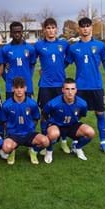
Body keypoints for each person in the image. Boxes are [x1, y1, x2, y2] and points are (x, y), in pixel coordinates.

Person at [66, 17, 105, 154]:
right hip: (80, 88)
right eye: (82, 26)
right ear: (79, 28)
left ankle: (103, 142)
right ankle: (75, 142)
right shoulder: (74, 48)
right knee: (76, 116)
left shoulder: (100, 45)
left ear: (91, 28)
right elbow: (65, 64)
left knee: (100, 114)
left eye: (88, 26)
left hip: (96, 87)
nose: (85, 28)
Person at [34, 17, 71, 153]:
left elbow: (68, 60)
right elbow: (32, 61)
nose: (51, 30)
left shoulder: (64, 44)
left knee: (64, 112)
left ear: (57, 29)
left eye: (53, 27)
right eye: (48, 28)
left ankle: (64, 141)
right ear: (44, 30)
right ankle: (45, 140)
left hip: (61, 85)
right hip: (45, 85)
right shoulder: (38, 45)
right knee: (45, 113)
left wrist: (61, 67)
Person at [42, 78, 95, 163]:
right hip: (57, 125)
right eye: (67, 89)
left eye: (72, 89)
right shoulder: (53, 103)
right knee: (53, 134)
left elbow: (81, 115)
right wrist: (46, 130)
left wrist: (74, 121)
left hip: (72, 126)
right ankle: (49, 151)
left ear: (76, 90)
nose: (70, 92)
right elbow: (44, 114)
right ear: (63, 90)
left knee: (90, 132)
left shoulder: (82, 103)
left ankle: (77, 147)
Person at [1, 77, 49, 165]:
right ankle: (12, 151)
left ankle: (33, 151)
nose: (19, 90)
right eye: (16, 87)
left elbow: (35, 119)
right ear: (12, 89)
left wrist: (30, 127)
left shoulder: (32, 104)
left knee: (45, 141)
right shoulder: (6, 105)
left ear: (25, 88)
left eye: (21, 87)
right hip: (13, 135)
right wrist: (11, 129)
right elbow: (4, 121)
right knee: (6, 147)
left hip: (29, 134)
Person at [2, 21, 36, 100]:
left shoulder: (30, 48)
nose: (17, 34)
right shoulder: (5, 49)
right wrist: (8, 78)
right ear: (11, 33)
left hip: (27, 86)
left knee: (28, 110)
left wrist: (28, 77)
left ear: (22, 32)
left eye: (19, 32)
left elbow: (32, 65)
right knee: (11, 110)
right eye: (14, 32)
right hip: (11, 87)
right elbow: (1, 67)